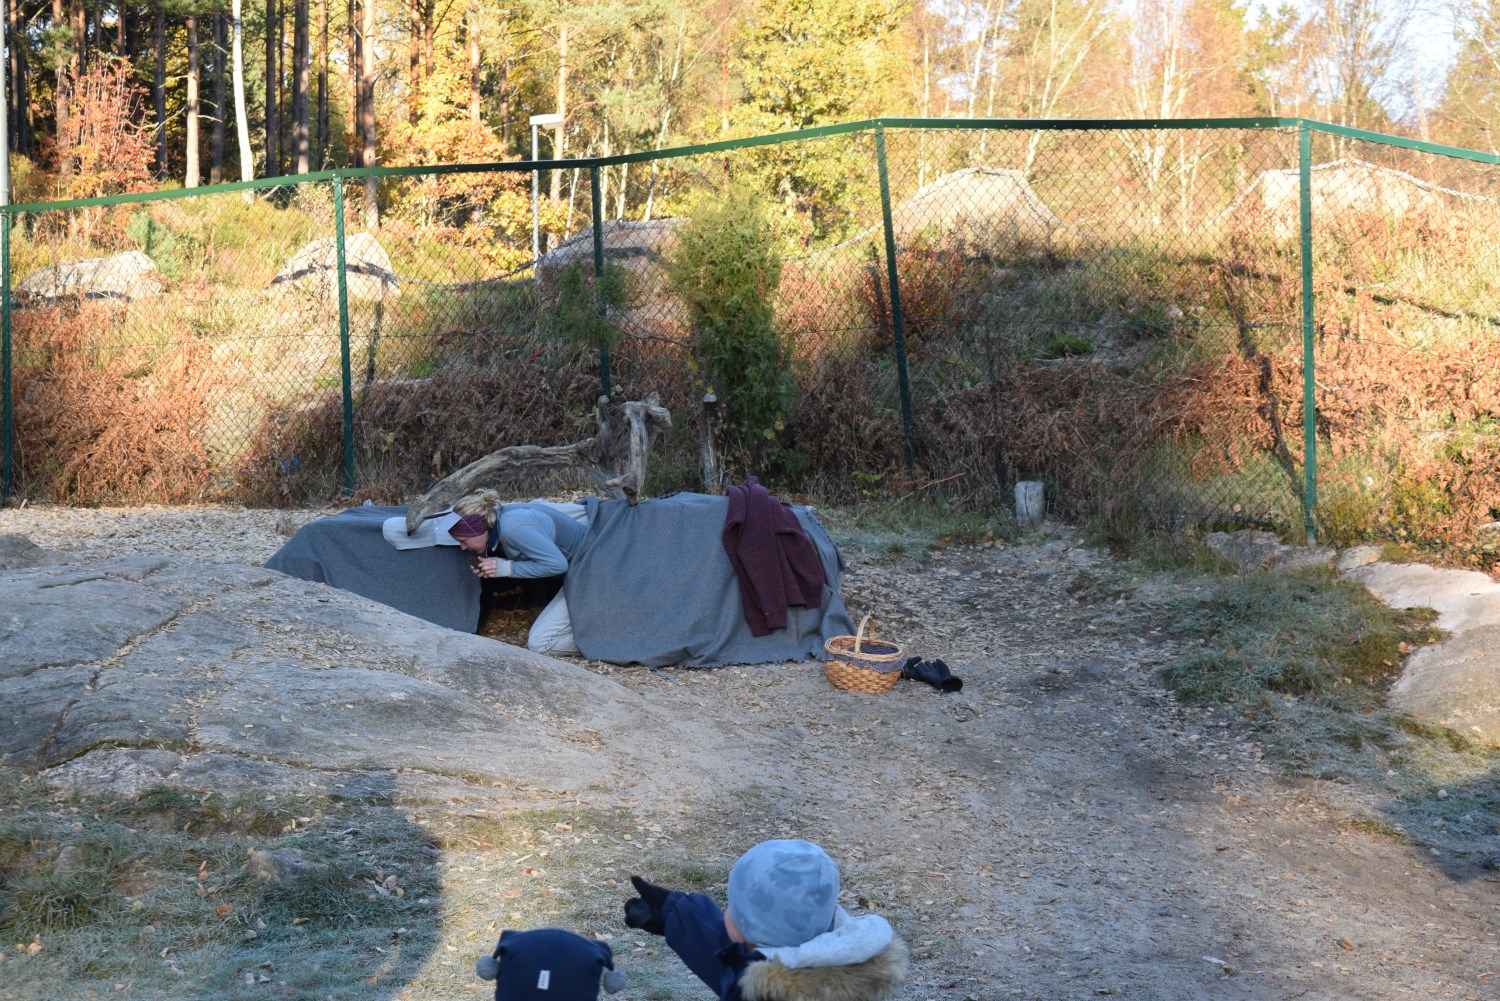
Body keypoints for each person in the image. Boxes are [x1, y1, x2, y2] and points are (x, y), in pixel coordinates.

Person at [622, 839, 908, 1001]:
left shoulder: (761, 993)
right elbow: (731, 959)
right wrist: (674, 913)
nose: (726, 912)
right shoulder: (834, 960)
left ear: (749, 932)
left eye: (734, 908)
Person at [449, 488, 589, 655]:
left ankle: (605, 637)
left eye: (463, 541)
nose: (463, 547)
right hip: (582, 571)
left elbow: (558, 565)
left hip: (593, 572)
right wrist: (495, 568)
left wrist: (505, 568)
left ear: (476, 530)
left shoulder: (513, 528)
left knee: (541, 644)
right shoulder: (501, 518)